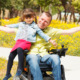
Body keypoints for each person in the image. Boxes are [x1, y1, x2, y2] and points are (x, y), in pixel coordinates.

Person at [0, 9, 57, 80]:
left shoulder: (35, 26)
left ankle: (20, 69)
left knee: (19, 49)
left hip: (27, 43)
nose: (28, 19)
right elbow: (14, 25)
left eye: (30, 17)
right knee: (11, 55)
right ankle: (8, 74)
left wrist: (50, 40)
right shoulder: (21, 24)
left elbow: (42, 34)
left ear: (33, 17)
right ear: (24, 18)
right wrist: (7, 25)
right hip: (19, 42)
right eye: (26, 18)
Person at [25, 12, 80, 80]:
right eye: (42, 19)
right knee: (33, 58)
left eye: (46, 21)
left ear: (49, 24)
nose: (42, 22)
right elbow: (14, 30)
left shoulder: (51, 31)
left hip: (44, 55)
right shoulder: (29, 28)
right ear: (39, 17)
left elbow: (69, 32)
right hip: (32, 54)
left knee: (55, 57)